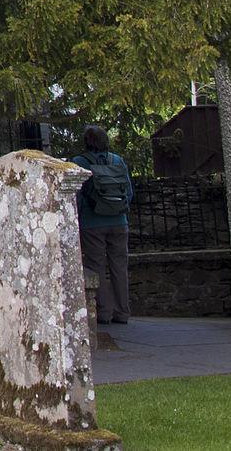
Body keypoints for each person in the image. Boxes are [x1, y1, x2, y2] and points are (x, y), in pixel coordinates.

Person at [72, 125, 133, 324]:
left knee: (96, 266)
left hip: (92, 223)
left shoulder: (80, 163)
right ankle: (123, 312)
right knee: (119, 266)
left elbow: (76, 197)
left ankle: (104, 312)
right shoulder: (118, 161)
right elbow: (129, 193)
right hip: (119, 221)